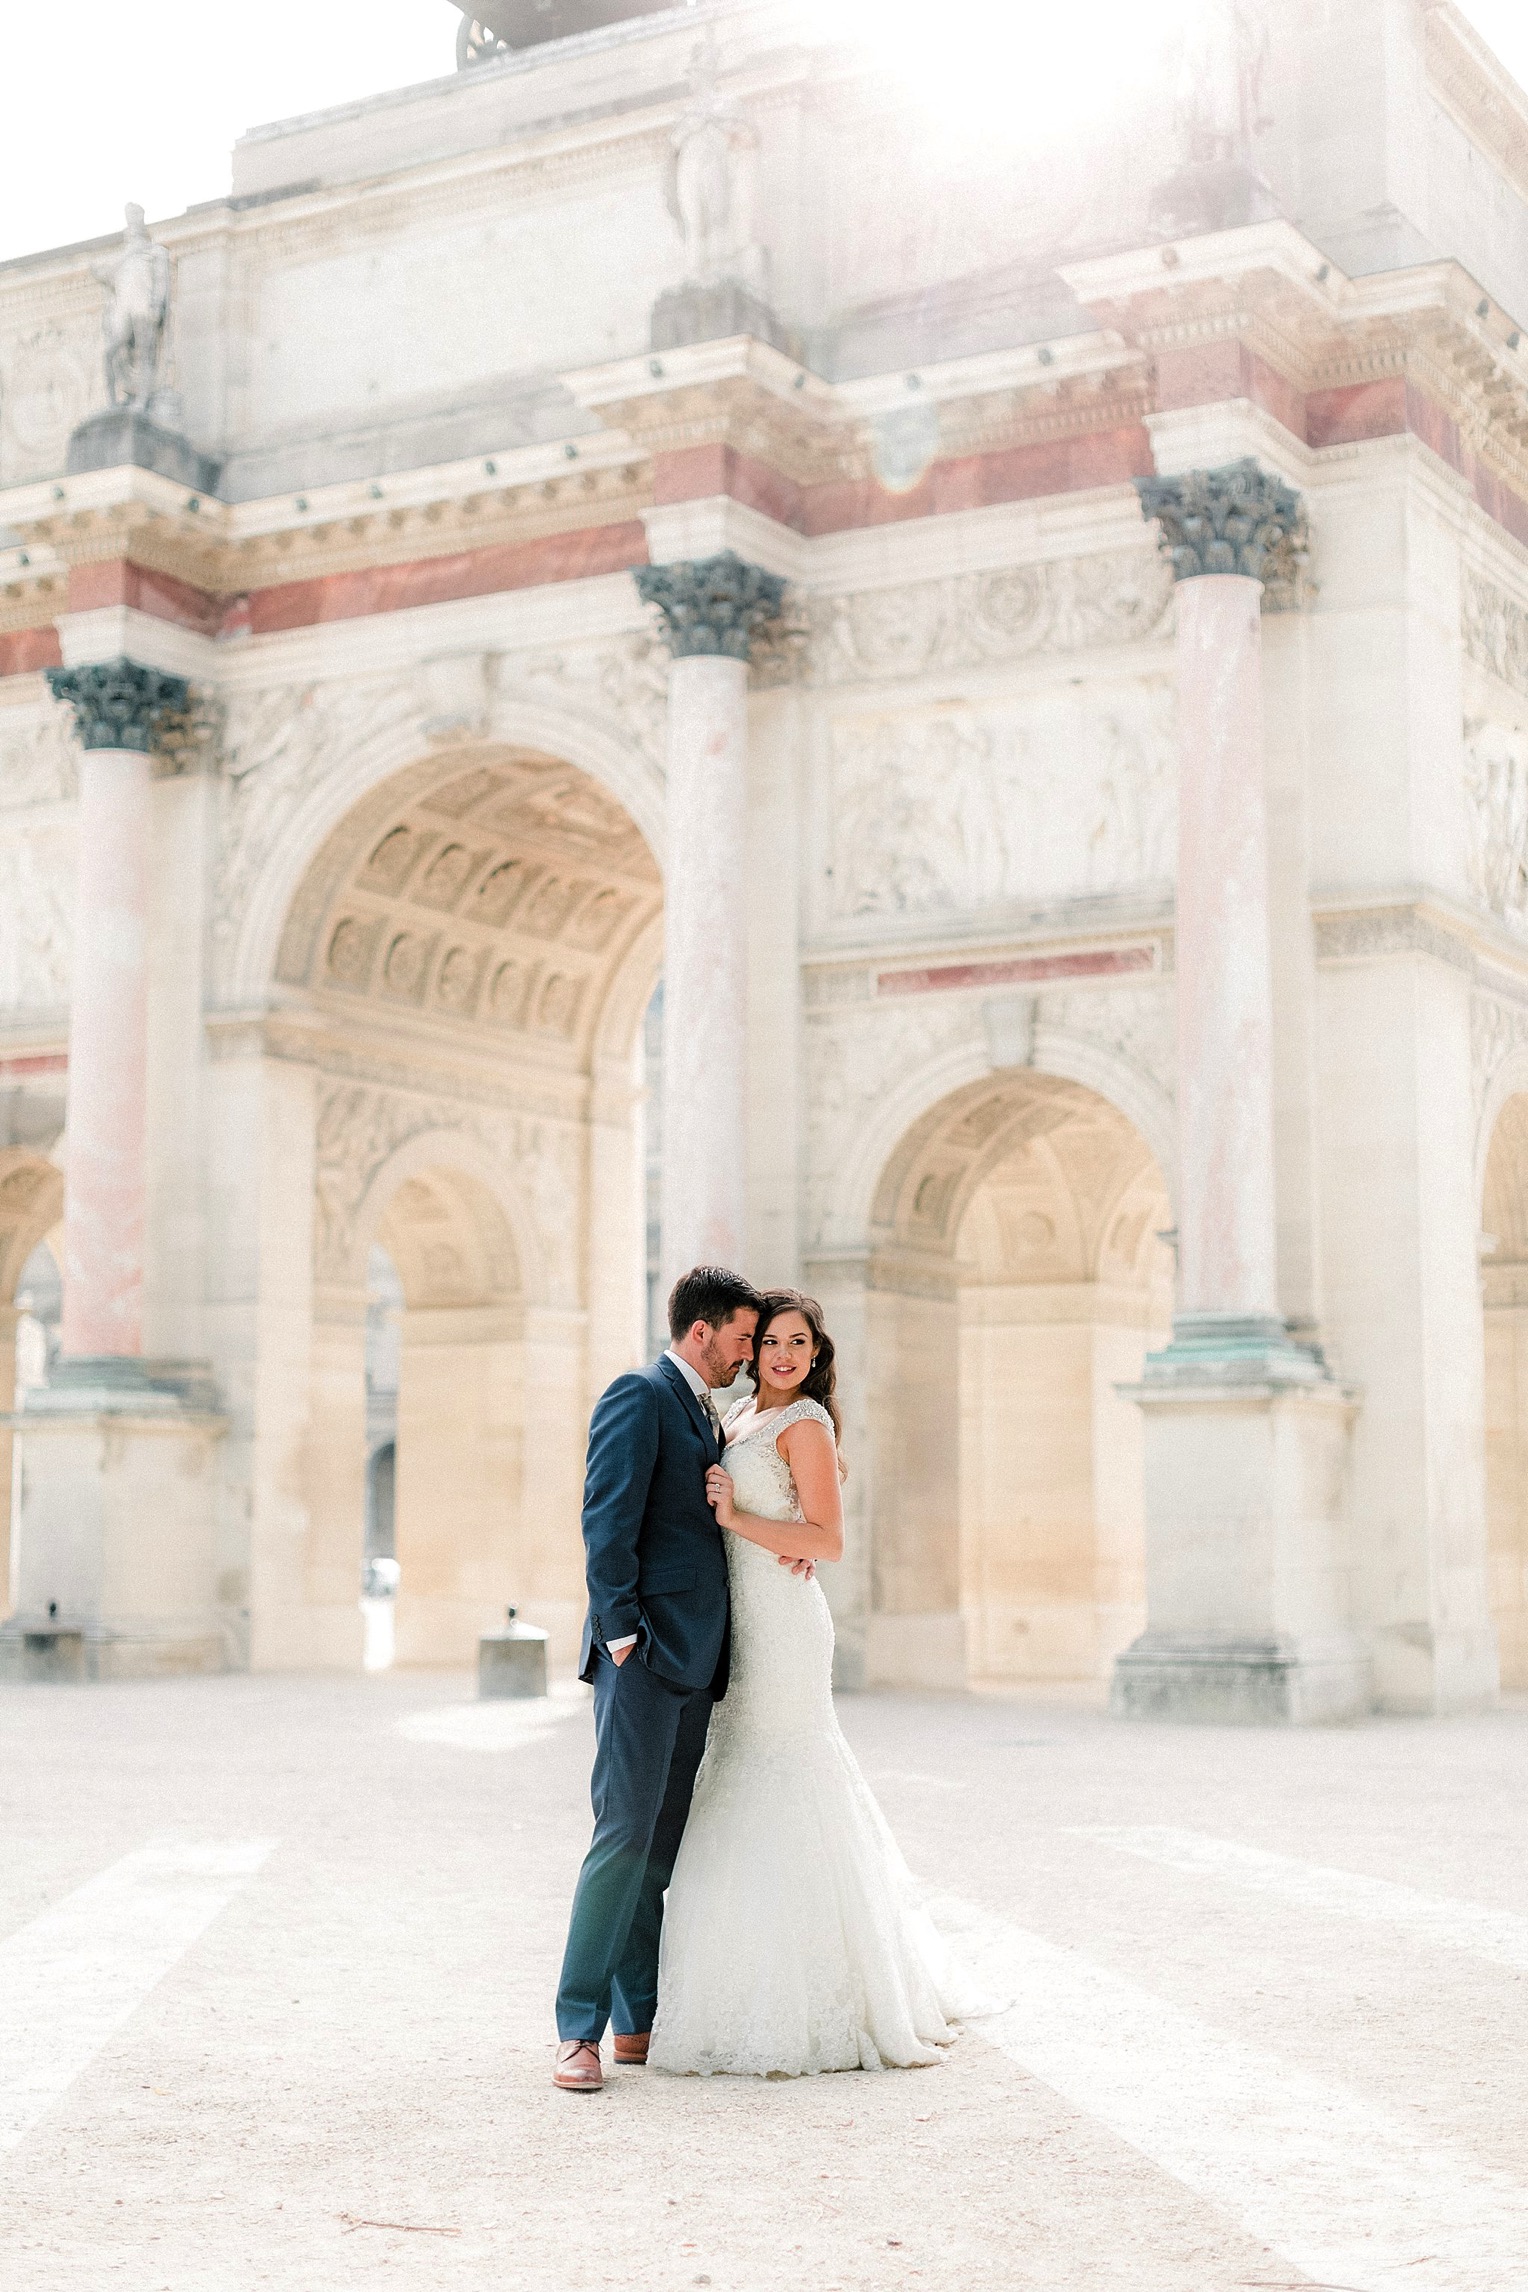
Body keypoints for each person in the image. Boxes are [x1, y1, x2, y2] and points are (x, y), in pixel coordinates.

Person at [647, 1289, 963, 2077]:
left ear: (817, 1357)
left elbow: (827, 1539)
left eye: (799, 1343)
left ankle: (822, 1993)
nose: (783, 1354)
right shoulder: (741, 1418)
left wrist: (738, 1522)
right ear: (750, 1352)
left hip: (784, 1627)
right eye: (771, 1341)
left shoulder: (805, 1426)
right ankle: (730, 1986)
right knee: (734, 1782)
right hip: (740, 1622)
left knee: (787, 1775)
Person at [553, 1264, 807, 2094]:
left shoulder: (710, 1410)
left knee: (658, 1851)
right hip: (647, 1655)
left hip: (698, 1662)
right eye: (743, 1337)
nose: (751, 1352)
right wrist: (621, 1634)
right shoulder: (637, 1393)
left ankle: (638, 2024)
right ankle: (577, 2032)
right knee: (621, 1838)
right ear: (702, 1332)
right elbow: (606, 1519)